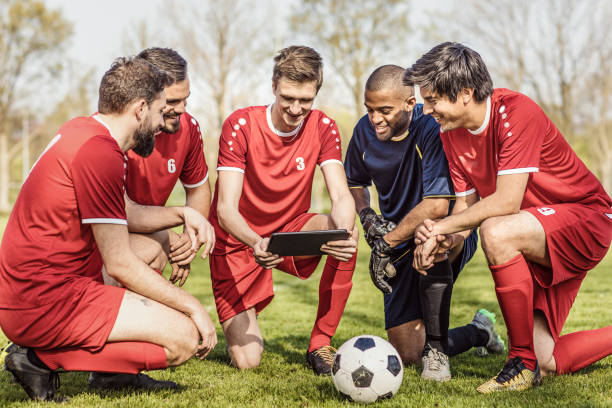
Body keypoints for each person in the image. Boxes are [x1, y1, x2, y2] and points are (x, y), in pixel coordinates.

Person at [0, 57, 217, 401]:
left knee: (154, 246)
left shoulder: (84, 130)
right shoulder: (99, 153)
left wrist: (183, 214)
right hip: (43, 301)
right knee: (185, 338)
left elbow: (126, 212)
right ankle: (36, 358)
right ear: (140, 108)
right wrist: (193, 306)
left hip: (41, 287)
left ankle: (109, 376)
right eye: (162, 110)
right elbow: (119, 264)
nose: (163, 123)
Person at [405, 42, 612, 392]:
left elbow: (506, 200)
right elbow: (465, 213)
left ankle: (519, 363)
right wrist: (441, 240)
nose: (426, 111)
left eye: (433, 100)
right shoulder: (449, 134)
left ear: (465, 93)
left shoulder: (516, 111)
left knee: (497, 230)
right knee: (548, 360)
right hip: (533, 232)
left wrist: (444, 225)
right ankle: (532, 361)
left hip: (588, 219)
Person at [345, 65, 503, 382]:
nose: (375, 119)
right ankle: (479, 332)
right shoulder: (363, 131)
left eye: (384, 110)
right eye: (370, 109)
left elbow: (437, 205)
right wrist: (366, 216)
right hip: (393, 242)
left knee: (430, 235)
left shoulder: (432, 129)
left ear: (410, 103)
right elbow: (353, 182)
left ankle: (437, 353)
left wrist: (385, 246)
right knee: (406, 353)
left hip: (448, 229)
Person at [208, 45, 358, 375]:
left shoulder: (324, 127)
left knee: (347, 233)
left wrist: (343, 232)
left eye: (305, 100)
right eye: (288, 97)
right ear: (274, 86)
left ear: (316, 93)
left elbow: (341, 197)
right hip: (238, 241)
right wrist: (255, 241)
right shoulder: (240, 125)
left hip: (289, 232)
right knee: (249, 361)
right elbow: (224, 209)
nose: (295, 108)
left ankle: (321, 343)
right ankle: (237, 315)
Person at [125, 47, 211, 287]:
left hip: (148, 229)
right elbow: (121, 213)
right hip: (103, 237)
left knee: (157, 248)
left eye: (186, 99)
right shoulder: (115, 131)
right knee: (155, 248)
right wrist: (170, 237)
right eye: (173, 101)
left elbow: (198, 190)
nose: (182, 109)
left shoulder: (189, 128)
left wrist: (187, 242)